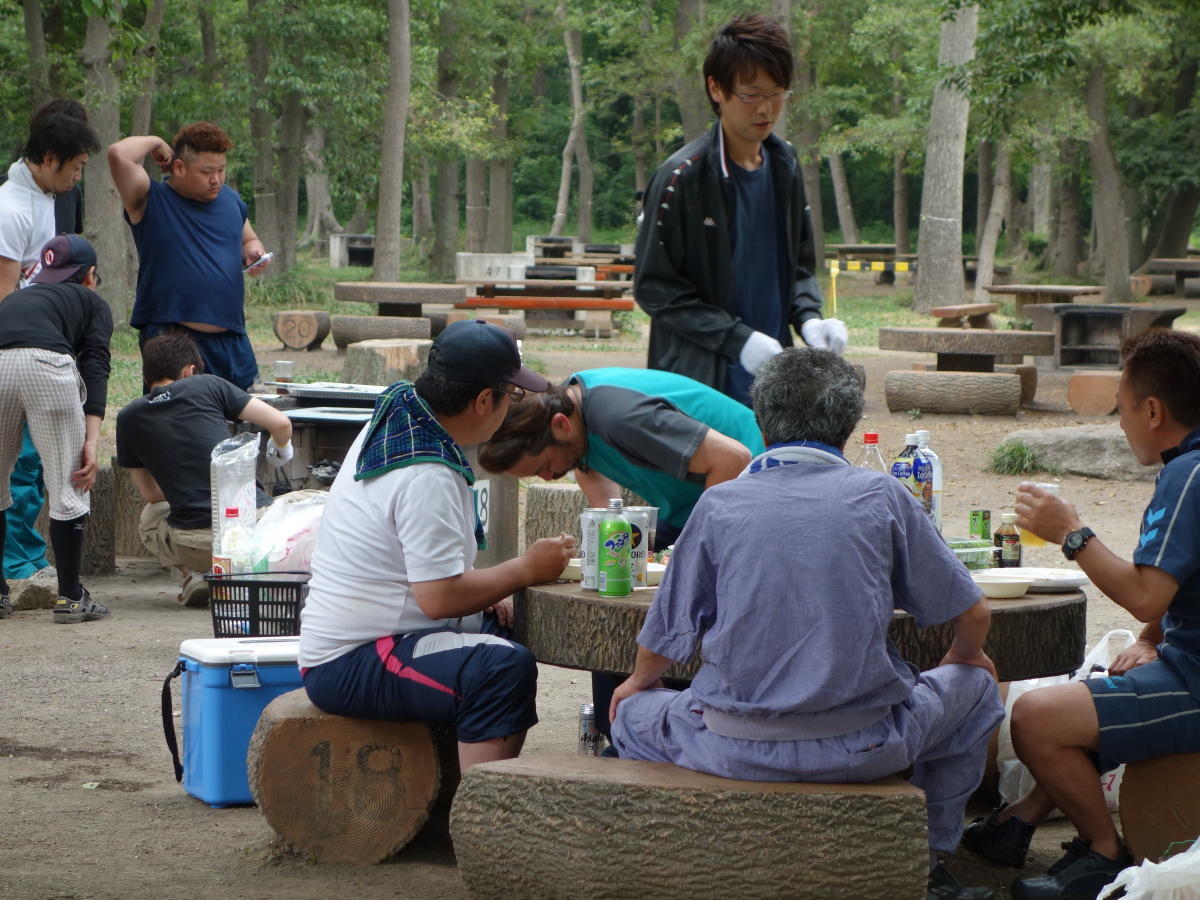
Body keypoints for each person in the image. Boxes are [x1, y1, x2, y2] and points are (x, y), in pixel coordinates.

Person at [609, 348, 1004, 900]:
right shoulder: (882, 495)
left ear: (762, 422)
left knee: (631, 715)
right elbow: (974, 613)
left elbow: (664, 641)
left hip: (732, 748)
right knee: (979, 688)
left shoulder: (720, 504)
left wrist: (634, 686)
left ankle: (682, 856)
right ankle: (930, 860)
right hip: (866, 745)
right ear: (849, 427)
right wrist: (965, 656)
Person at [962, 329, 1200, 900]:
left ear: (1152, 410)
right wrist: (1150, 638)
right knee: (1097, 686)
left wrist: (1071, 533)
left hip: (1195, 681)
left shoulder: (1189, 474)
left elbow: (1147, 594)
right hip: (1183, 659)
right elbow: (1180, 582)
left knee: (1035, 718)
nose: (1120, 423)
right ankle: (1020, 819)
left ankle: (1103, 852)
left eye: (1121, 407)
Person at [298, 319, 575, 773]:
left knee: (504, 632)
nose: (512, 404)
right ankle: (479, 808)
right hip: (354, 658)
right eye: (511, 394)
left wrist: (486, 588)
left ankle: (458, 780)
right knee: (502, 669)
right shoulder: (427, 473)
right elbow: (439, 598)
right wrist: (526, 568)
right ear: (483, 401)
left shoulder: (403, 414)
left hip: (376, 636)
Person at [633, 14, 847, 407]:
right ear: (716, 88)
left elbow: (798, 268)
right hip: (701, 384)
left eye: (778, 93)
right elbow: (654, 287)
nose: (766, 108)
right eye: (751, 95)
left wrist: (809, 318)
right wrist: (737, 339)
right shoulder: (682, 178)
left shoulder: (785, 165)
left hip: (774, 382)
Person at [477, 366, 765, 549]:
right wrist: (610, 536)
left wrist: (700, 550)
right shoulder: (566, 407)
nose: (549, 477)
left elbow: (733, 459)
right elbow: (587, 466)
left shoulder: (621, 419)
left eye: (544, 466)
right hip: (687, 507)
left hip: (759, 486)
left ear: (560, 425)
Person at [115, 331, 295, 608]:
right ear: (189, 371)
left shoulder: (127, 417)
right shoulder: (207, 384)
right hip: (254, 534)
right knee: (300, 502)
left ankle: (193, 574)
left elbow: (151, 495)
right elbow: (281, 424)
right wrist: (282, 450)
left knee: (150, 517)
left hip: (194, 544)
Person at [0, 103, 99, 586]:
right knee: (17, 465)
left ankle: (28, 558)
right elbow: (5, 296)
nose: (78, 177)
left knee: (38, 462)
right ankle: (17, 564)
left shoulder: (47, 194)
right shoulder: (10, 208)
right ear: (50, 157)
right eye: (75, 166)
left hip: (44, 341)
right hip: (16, 348)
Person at [108, 122, 271, 390]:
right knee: (178, 415)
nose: (216, 179)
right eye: (207, 172)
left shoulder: (230, 200)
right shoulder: (150, 199)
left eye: (221, 170)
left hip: (232, 340)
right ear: (179, 167)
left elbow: (248, 240)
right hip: (173, 341)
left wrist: (254, 252)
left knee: (249, 411)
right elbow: (118, 153)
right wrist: (156, 142)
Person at [0, 235, 112, 623]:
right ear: (90, 276)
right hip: (47, 366)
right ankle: (70, 598)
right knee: (68, 486)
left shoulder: (15, 299)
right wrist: (91, 442)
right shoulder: (93, 302)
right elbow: (95, 365)